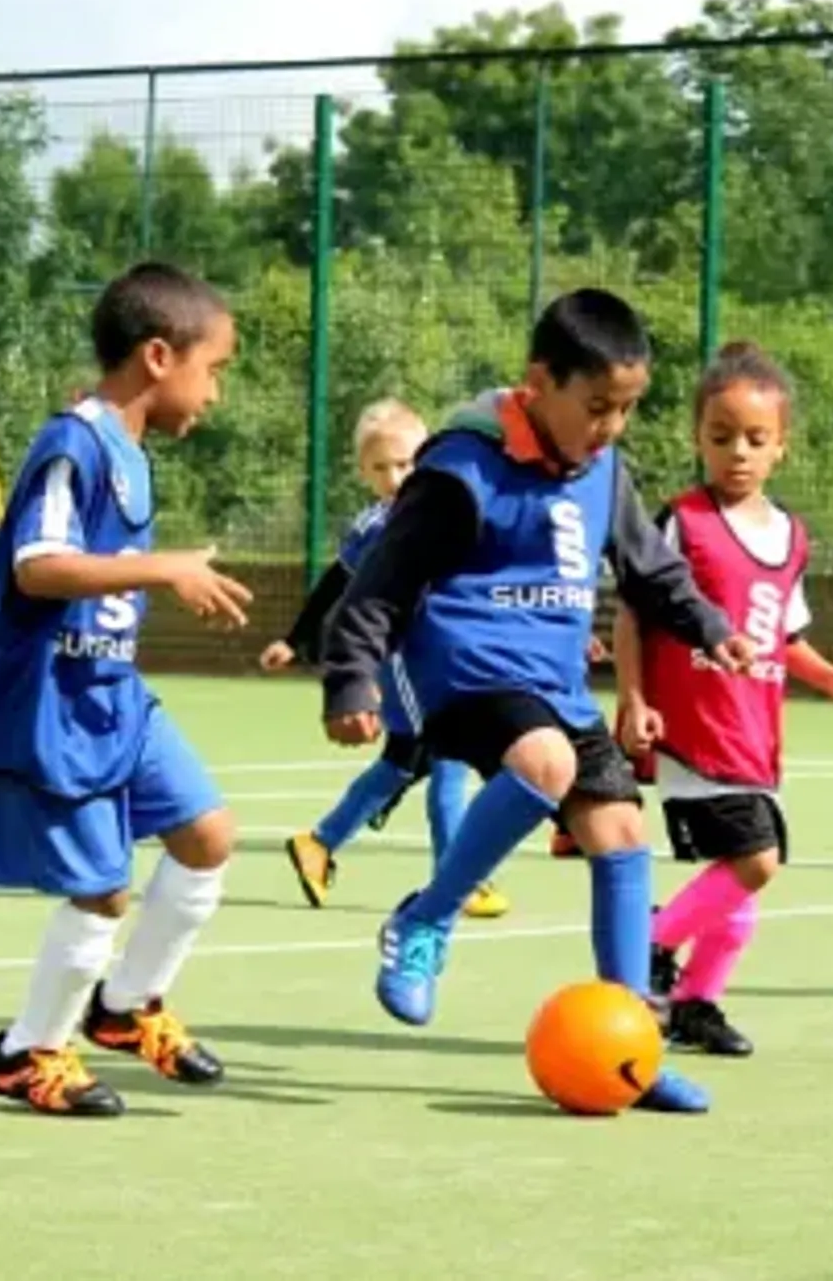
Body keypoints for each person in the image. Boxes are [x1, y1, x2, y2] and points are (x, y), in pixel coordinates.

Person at [319, 288, 753, 1114]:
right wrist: (352, 677)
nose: (612, 426)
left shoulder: (606, 471)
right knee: (545, 762)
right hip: (466, 670)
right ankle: (425, 919)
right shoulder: (461, 469)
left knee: (621, 830)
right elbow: (378, 585)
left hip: (552, 684)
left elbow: (651, 569)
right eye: (597, 407)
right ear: (538, 383)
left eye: (626, 409)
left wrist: (708, 624)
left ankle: (634, 1046)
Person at [0, 262, 251, 1116]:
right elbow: (39, 566)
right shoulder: (74, 444)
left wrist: (154, 573)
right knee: (104, 887)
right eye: (216, 370)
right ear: (159, 356)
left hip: (112, 693)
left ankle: (125, 1008)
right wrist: (160, 568)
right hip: (51, 703)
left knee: (208, 833)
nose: (217, 393)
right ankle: (28, 1052)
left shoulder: (129, 451)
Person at [613, 340, 833, 1057]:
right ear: (697, 437)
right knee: (757, 857)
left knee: (739, 887)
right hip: (695, 730)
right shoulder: (682, 523)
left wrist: (831, 679)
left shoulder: (789, 537)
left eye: (756, 439)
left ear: (782, 446)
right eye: (721, 436)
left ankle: (696, 1002)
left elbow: (782, 631)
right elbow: (635, 613)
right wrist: (634, 699)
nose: (738, 452)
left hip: (754, 733)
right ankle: (652, 943)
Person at [260, 398, 503, 918]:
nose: (394, 477)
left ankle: (320, 843)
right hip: (404, 658)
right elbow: (337, 583)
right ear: (363, 471)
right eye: (380, 467)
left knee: (405, 762)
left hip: (441, 655)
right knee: (448, 761)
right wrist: (296, 638)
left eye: (405, 464)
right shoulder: (379, 524)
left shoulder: (447, 508)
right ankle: (458, 880)